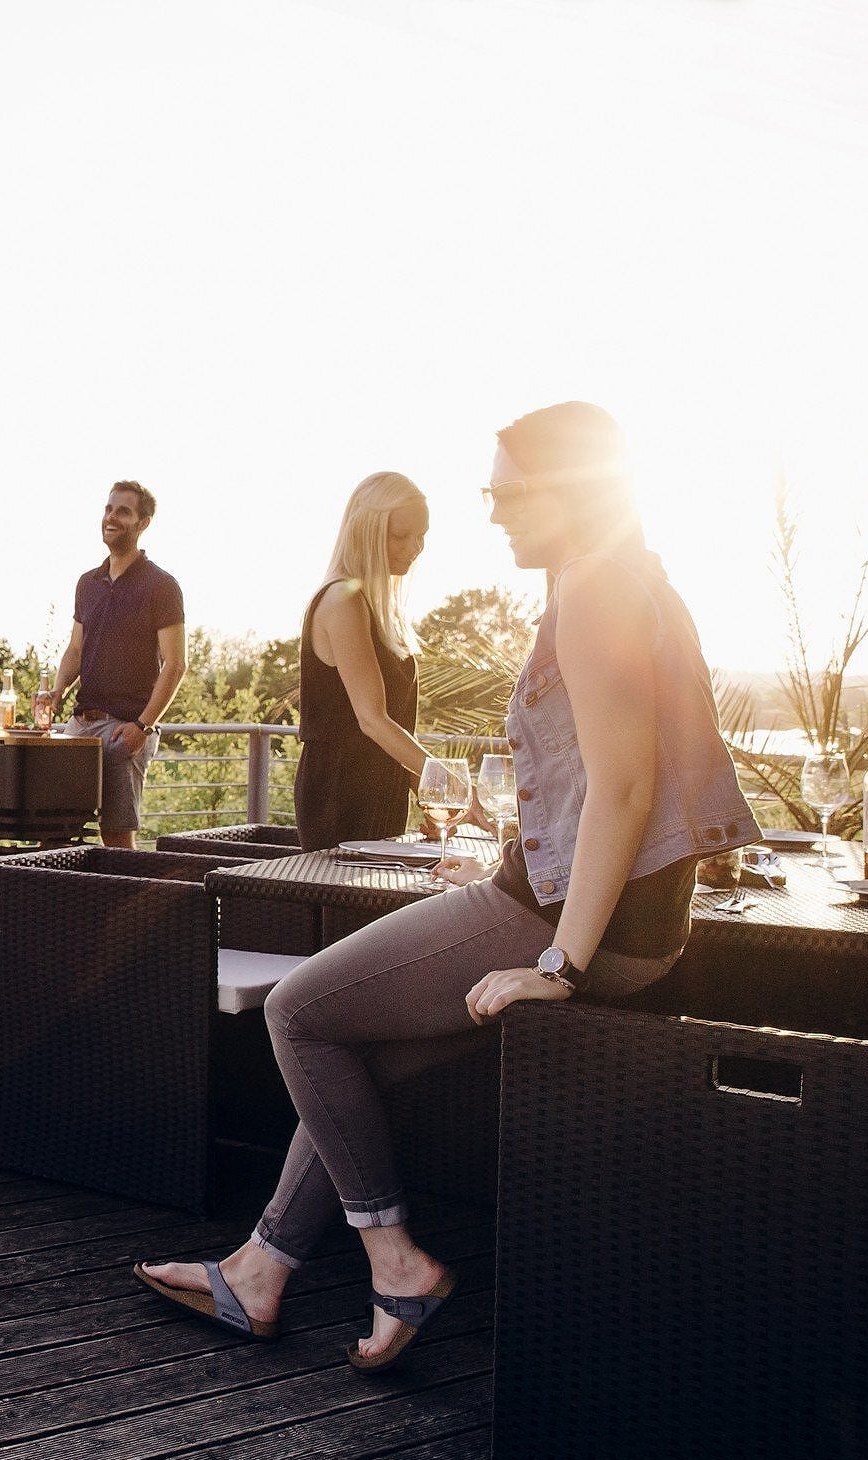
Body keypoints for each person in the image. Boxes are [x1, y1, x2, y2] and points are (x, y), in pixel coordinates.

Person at [135, 403, 757, 1368]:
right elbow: (617, 782)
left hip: (558, 920)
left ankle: (396, 1262)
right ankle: (261, 1269)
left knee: (298, 1011)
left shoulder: (596, 586)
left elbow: (626, 788)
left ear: (568, 491)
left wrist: (558, 963)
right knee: (360, 1056)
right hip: (627, 922)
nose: (493, 510)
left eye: (506, 491)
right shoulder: (635, 579)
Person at [31, 481, 185, 848]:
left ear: (143, 523)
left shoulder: (161, 585)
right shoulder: (88, 583)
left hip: (125, 729)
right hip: (80, 726)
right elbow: (75, 649)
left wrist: (143, 727)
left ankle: (126, 889)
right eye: (108, 509)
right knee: (53, 829)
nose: (111, 517)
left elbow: (176, 665)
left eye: (123, 511)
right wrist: (56, 691)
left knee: (116, 836)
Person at [292, 473, 431, 851]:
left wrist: (427, 794)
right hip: (342, 795)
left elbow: (395, 724)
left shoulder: (380, 608)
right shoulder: (343, 599)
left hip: (381, 787)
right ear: (366, 531)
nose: (415, 548)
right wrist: (450, 783)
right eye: (401, 536)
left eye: (421, 536)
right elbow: (372, 719)